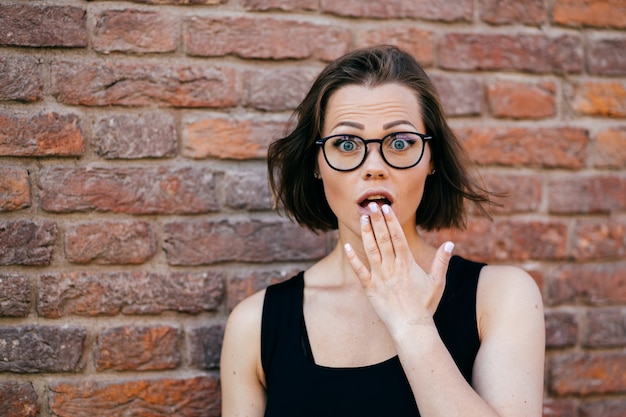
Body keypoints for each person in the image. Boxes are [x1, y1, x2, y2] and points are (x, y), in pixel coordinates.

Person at [220, 45, 545, 417]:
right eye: (346, 144)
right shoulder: (255, 325)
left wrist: (414, 325)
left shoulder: (501, 297)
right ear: (316, 164)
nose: (374, 167)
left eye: (401, 142)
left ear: (431, 160)